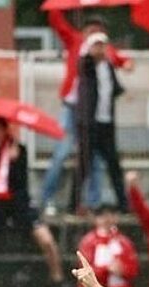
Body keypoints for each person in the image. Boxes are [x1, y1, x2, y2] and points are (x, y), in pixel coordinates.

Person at [42, 15, 132, 215]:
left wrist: (125, 63)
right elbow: (60, 27)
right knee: (63, 153)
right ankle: (49, 197)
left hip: (99, 117)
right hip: (75, 109)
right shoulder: (82, 53)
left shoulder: (106, 56)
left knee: (100, 162)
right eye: (92, 30)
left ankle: (95, 201)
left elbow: (118, 60)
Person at [0, 118, 66, 287]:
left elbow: (22, 184)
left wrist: (15, 162)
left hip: (20, 205)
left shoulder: (19, 150)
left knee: (47, 240)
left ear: (5, 131)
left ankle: (57, 278)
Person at [74, 33, 128, 213]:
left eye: (102, 46)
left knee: (113, 164)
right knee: (83, 165)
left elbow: (114, 87)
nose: (100, 49)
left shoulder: (108, 66)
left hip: (106, 122)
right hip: (90, 123)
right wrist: (92, 55)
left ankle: (123, 203)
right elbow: (84, 64)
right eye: (96, 46)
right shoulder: (87, 65)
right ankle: (74, 203)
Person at [76, 204, 139, 287]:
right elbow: (84, 270)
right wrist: (106, 269)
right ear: (96, 219)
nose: (107, 219)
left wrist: (123, 270)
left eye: (111, 215)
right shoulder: (88, 242)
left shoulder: (124, 242)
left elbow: (133, 269)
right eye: (102, 215)